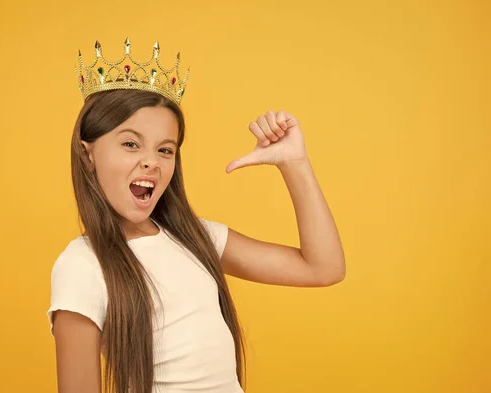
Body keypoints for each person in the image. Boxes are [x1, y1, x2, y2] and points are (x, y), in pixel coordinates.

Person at [47, 38, 345, 393]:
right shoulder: (82, 264)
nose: (151, 161)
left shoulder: (197, 238)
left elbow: (323, 268)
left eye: (165, 149)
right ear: (87, 155)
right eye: (130, 143)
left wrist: (294, 163)